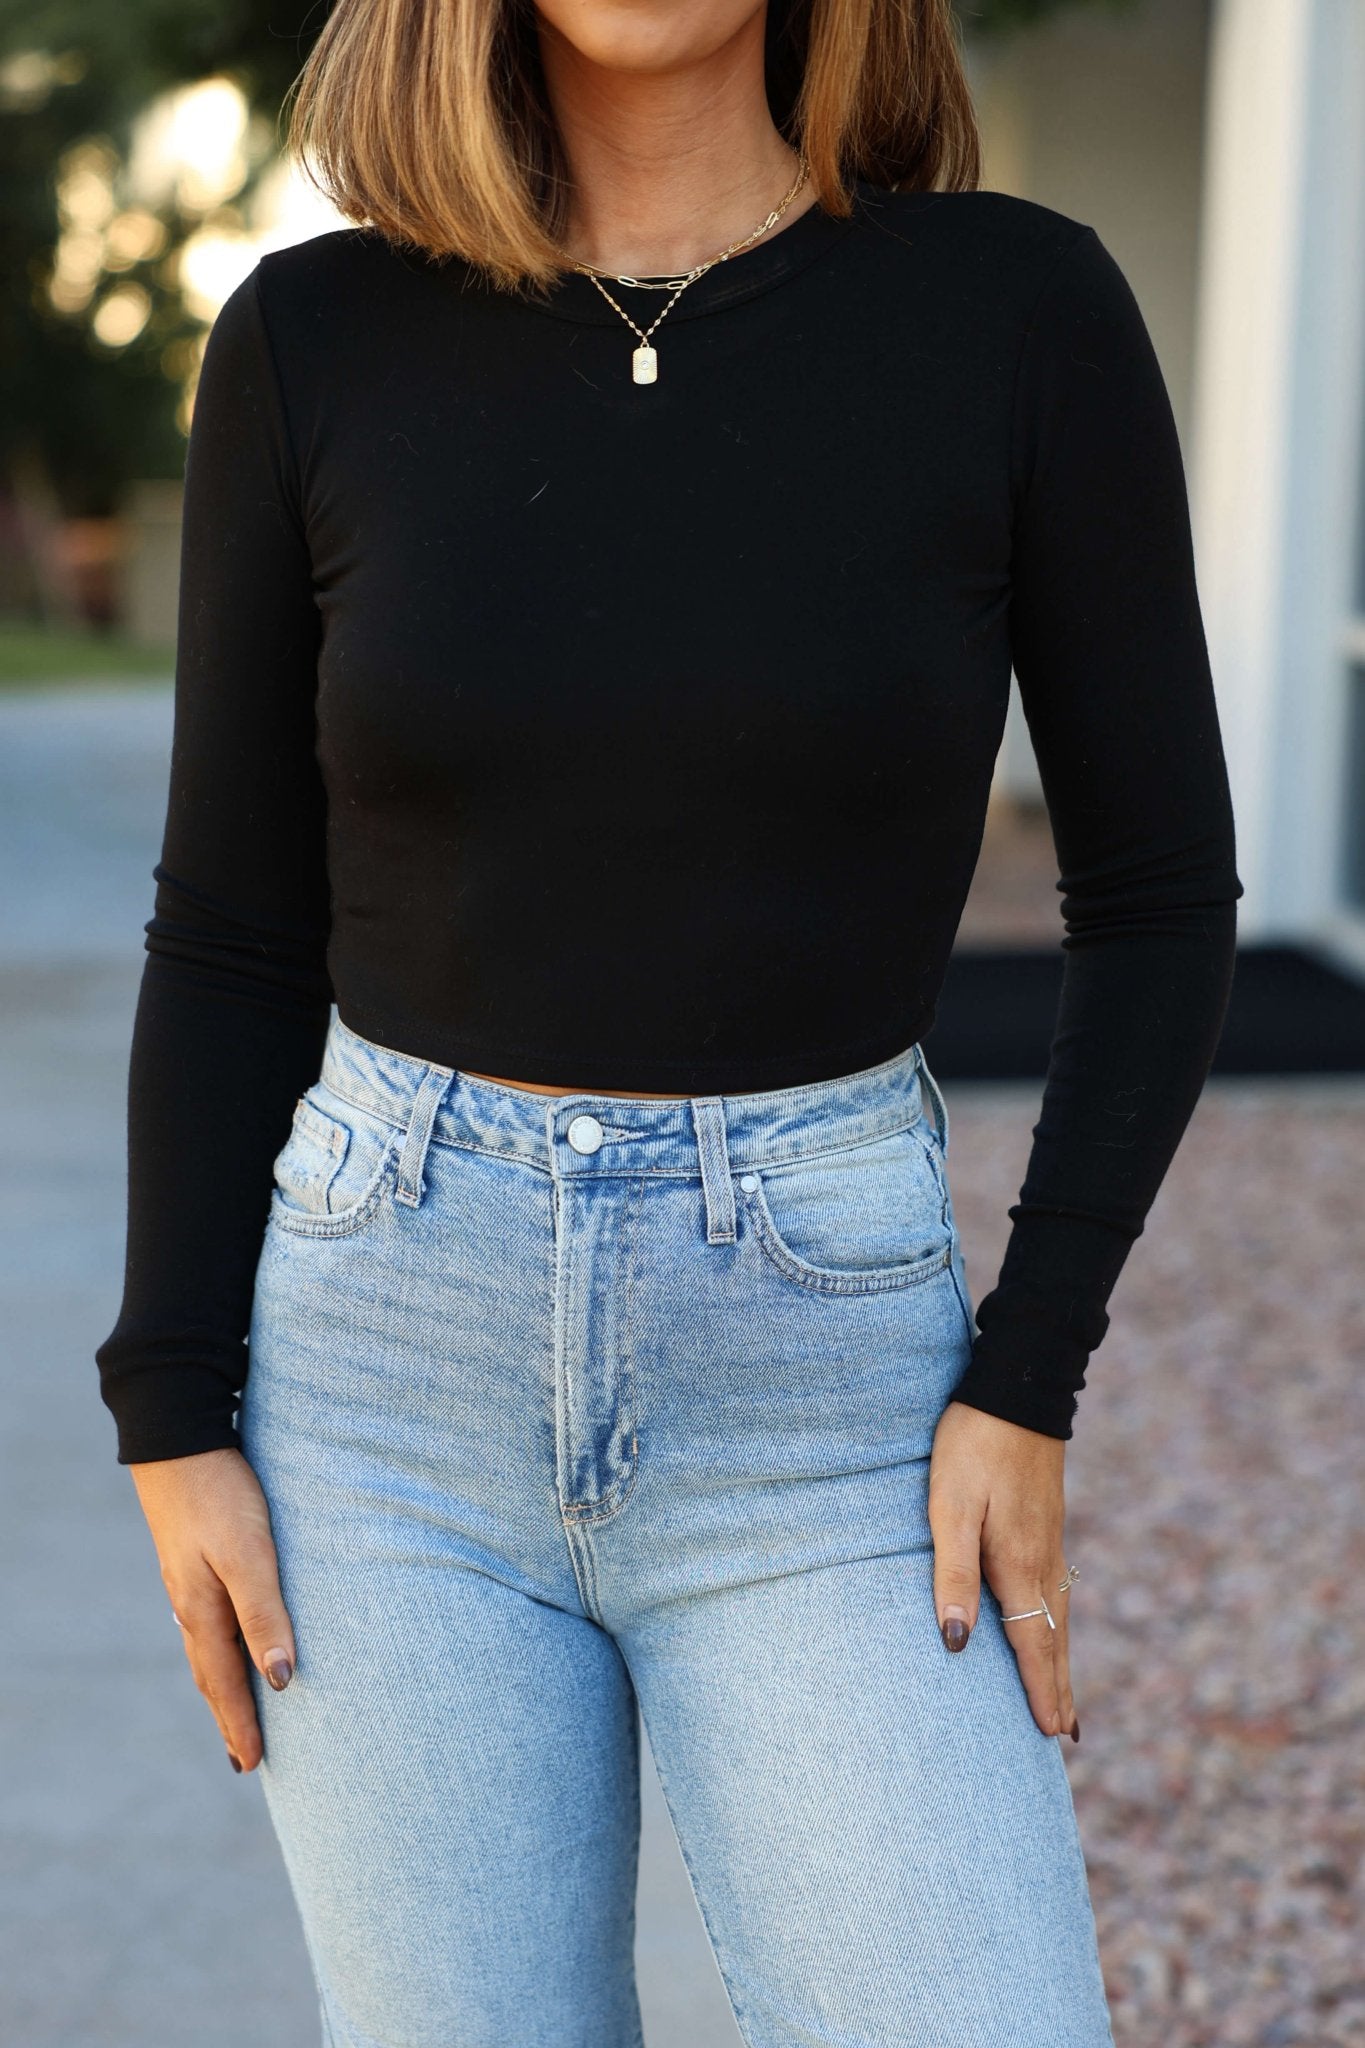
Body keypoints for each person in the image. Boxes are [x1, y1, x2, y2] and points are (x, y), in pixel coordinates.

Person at [95, 2, 1243, 2042]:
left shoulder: (1011, 314)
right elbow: (235, 928)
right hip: (384, 1384)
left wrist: (1029, 1370)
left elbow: (1153, 900)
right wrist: (173, 1402)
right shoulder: (310, 339)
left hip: (829, 1392)